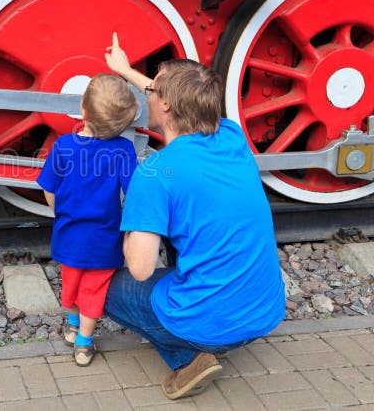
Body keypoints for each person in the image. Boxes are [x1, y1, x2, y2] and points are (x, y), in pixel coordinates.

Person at [103, 32, 285, 399]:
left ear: (166, 105)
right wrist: (125, 71)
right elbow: (178, 97)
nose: (147, 94)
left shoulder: (156, 172)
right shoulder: (232, 135)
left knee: (101, 289)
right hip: (265, 312)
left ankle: (187, 357)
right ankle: (204, 332)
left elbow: (140, 269)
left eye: (151, 92)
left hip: (212, 323)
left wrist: (129, 219)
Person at [37, 73, 139, 367]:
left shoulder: (63, 146)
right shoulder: (122, 149)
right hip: (105, 237)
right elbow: (132, 192)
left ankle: (72, 324)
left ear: (83, 110)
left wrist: (60, 213)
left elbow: (49, 188)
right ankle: (83, 344)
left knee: (70, 280)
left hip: (68, 232)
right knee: (93, 290)